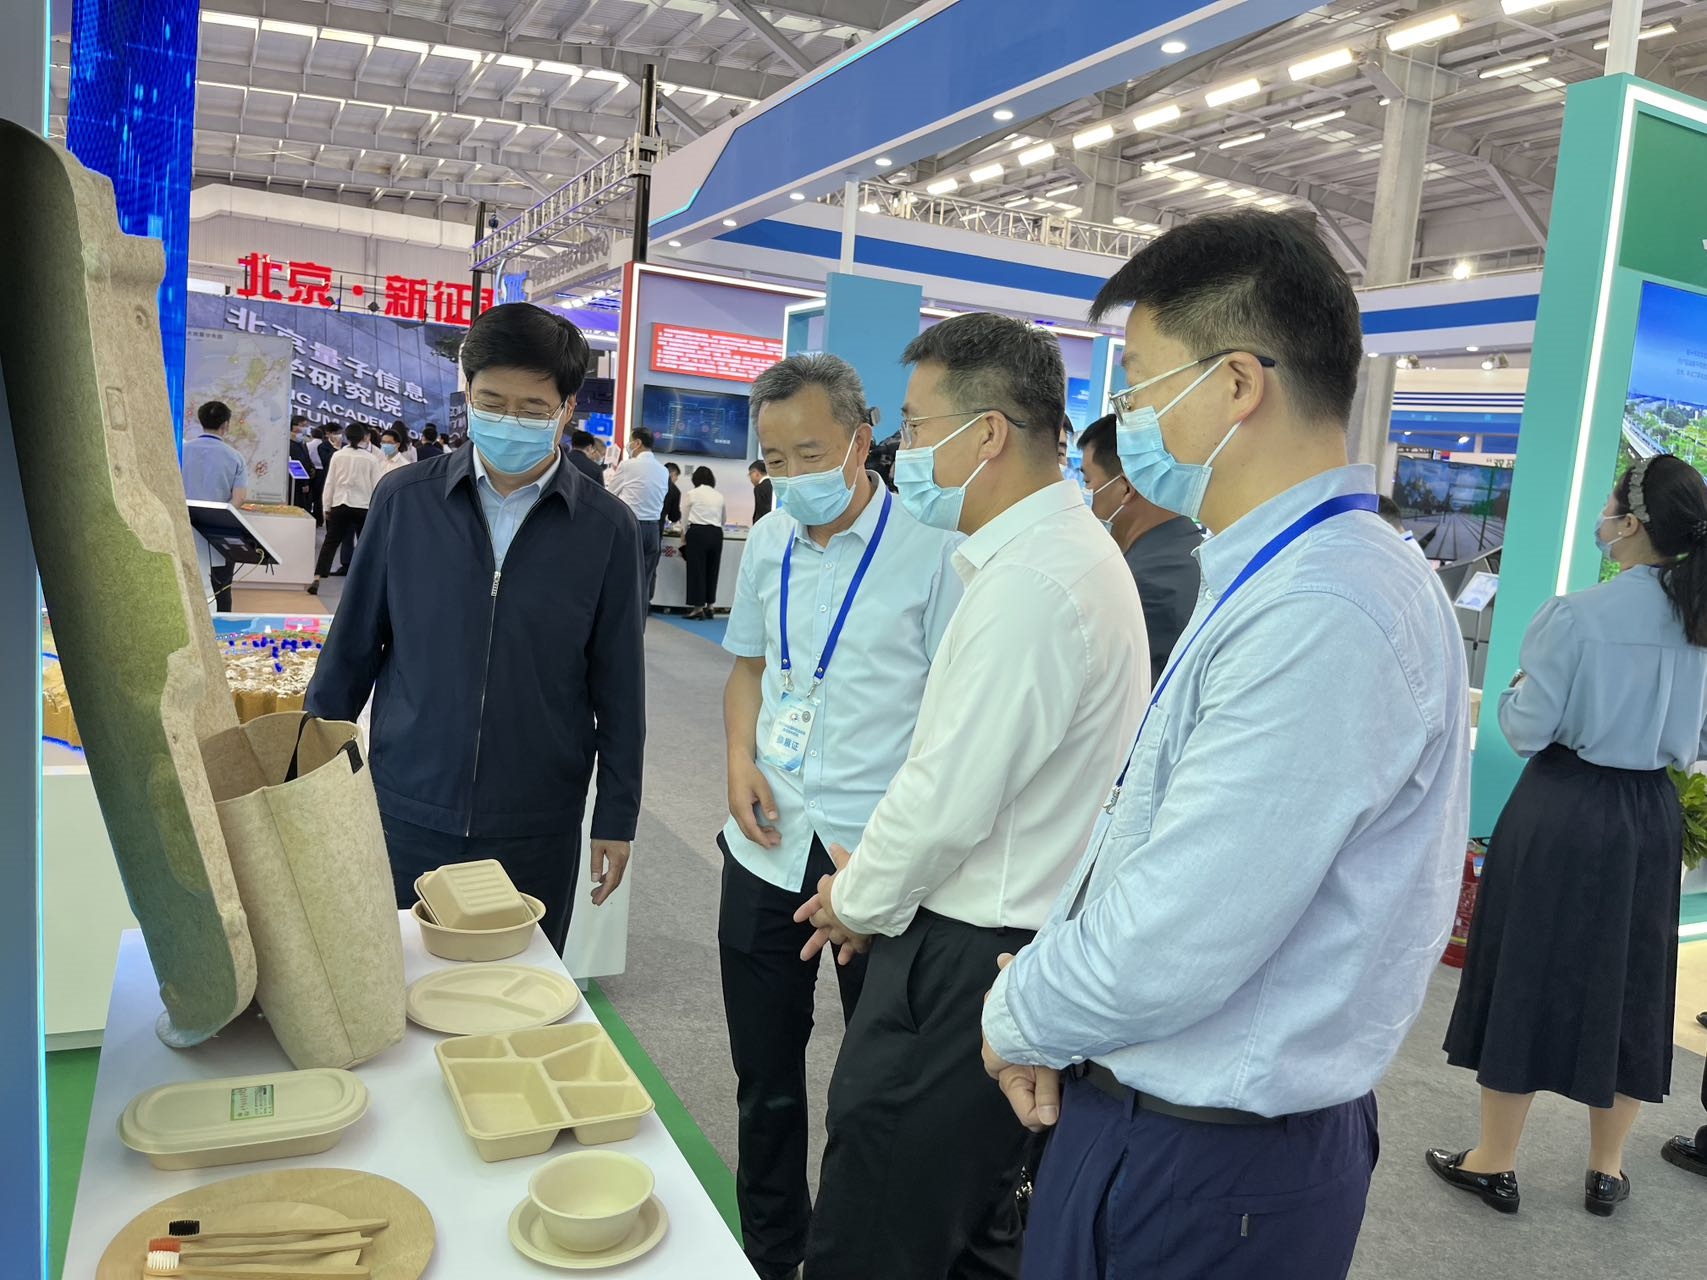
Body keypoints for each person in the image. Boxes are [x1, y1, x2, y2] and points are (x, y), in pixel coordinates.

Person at [980, 211, 1471, 1280]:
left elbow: (1180, 929)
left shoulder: (1326, 607)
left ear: (1238, 383)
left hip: (1209, 1166)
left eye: (1141, 383)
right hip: (1161, 1125)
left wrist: (1017, 1012)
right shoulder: (1285, 571)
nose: (1127, 415)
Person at [794, 313, 1146, 1280]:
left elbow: (948, 795)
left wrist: (856, 898)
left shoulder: (1032, 581)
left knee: (881, 1220)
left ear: (986, 432)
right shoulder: (1060, 555)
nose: (901, 449)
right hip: (1007, 937)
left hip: (963, 956)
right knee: (967, 1227)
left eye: (913, 425)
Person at [719, 353, 962, 1280]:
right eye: (774, 460)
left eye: (810, 454)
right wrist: (737, 759)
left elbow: (952, 716)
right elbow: (748, 669)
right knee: (764, 1081)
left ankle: (846, 1260)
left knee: (873, 1095)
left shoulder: (933, 548)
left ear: (862, 441)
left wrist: (892, 860)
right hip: (767, 843)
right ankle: (770, 1252)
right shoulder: (769, 539)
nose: (791, 477)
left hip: (877, 861)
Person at [304, 302, 646, 952]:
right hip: (406, 802)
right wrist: (313, 784)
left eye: (531, 407)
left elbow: (620, 686)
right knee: (394, 977)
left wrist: (616, 815)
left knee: (517, 986)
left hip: (536, 816)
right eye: (492, 402)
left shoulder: (606, 529)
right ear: (467, 393)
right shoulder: (404, 500)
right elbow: (350, 653)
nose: (509, 420)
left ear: (566, 409)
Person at [1432, 453, 1707, 1217]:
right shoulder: (1699, 623)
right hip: (1649, 814)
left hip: (1563, 806)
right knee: (1631, 982)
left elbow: (1525, 728)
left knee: (1527, 968)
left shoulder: (1576, 616)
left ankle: (1494, 1162)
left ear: (1631, 524)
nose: (1601, 518)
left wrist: (1517, 692)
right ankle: (1606, 1170)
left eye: (1610, 506)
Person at [1079, 411, 1203, 685]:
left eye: (1087, 482)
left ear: (1125, 488)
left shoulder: (1143, 582)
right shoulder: (1184, 545)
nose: (1084, 495)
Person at [181, 400, 249, 612]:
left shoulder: (181, 450)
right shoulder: (235, 457)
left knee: (185, 585)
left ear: (200, 420)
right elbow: (239, 498)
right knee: (222, 588)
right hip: (219, 532)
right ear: (226, 424)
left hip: (184, 528)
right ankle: (221, 629)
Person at [307, 423, 382, 595]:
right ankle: (368, 582)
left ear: (346, 437)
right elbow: (377, 486)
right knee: (366, 544)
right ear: (364, 437)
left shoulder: (338, 455)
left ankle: (317, 578)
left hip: (340, 504)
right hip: (363, 506)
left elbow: (330, 483)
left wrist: (326, 507)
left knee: (330, 543)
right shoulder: (371, 459)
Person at [606, 427, 669, 606]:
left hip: (631, 527)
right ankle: (639, 619)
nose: (628, 445)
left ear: (638, 443)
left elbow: (611, 495)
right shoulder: (663, 470)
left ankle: (619, 619)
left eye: (630, 441)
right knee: (644, 583)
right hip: (653, 530)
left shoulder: (628, 465)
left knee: (623, 578)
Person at [678, 465, 726, 619]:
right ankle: (710, 606)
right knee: (713, 569)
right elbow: (723, 519)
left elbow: (684, 518)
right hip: (716, 534)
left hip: (698, 533)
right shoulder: (719, 495)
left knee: (696, 570)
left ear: (695, 479)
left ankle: (698, 608)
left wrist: (683, 536)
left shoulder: (692, 494)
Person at [289, 415, 315, 514]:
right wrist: (303, 483)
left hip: (303, 482)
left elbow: (306, 460)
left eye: (306, 426)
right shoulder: (287, 443)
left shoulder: (302, 443)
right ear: (293, 426)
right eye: (302, 425)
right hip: (292, 483)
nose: (304, 428)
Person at [662, 461, 685, 530]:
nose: (677, 479)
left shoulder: (652, 483)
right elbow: (673, 517)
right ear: (672, 474)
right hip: (657, 524)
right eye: (676, 475)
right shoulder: (674, 491)